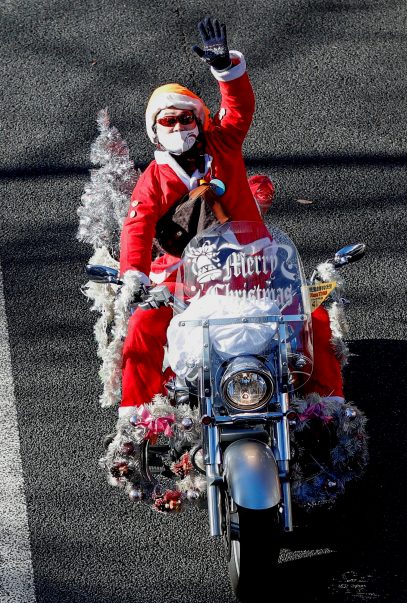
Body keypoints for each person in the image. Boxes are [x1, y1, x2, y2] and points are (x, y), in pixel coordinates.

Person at [118, 17, 344, 413]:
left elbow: (238, 108)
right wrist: (133, 275)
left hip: (253, 264)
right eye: (167, 121)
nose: (178, 126)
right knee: (142, 326)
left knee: (316, 319)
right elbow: (137, 227)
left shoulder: (223, 143)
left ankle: (326, 410)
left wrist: (226, 70)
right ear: (155, 131)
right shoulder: (153, 179)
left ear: (199, 119)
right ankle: (139, 420)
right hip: (186, 278)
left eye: (185, 117)